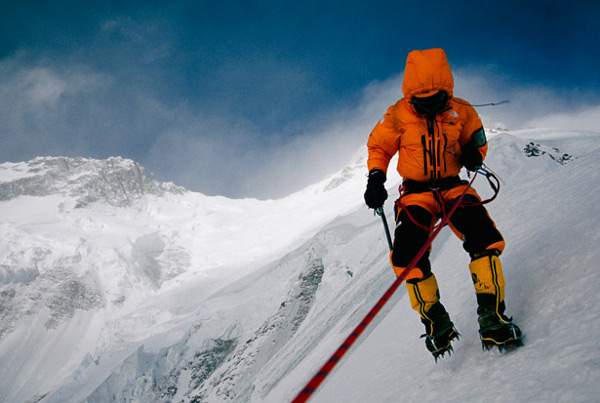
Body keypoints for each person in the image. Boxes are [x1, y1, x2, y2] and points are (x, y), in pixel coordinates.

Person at [363, 48, 522, 359]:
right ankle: (436, 320)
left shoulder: (461, 112)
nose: (428, 107)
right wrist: (375, 178)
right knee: (408, 256)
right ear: (411, 96)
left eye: (435, 100)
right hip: (415, 193)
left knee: (484, 239)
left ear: (446, 91)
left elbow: (475, 141)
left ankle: (492, 315)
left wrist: (475, 155)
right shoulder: (397, 115)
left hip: (453, 187)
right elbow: (379, 148)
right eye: (421, 102)